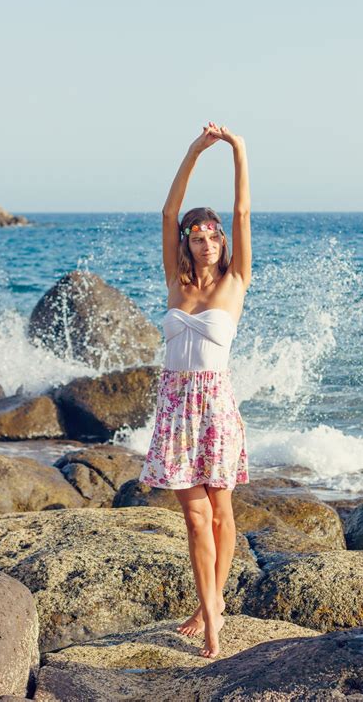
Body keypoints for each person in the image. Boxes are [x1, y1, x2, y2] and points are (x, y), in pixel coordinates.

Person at [138, 121, 252, 659]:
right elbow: (166, 213)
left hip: (216, 405)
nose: (206, 242)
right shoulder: (177, 281)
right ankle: (210, 615)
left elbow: (244, 212)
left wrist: (238, 150)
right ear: (188, 241)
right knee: (195, 515)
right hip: (175, 406)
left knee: (223, 512)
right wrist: (192, 152)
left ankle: (212, 608)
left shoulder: (235, 281)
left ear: (223, 240)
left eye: (213, 235)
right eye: (197, 236)